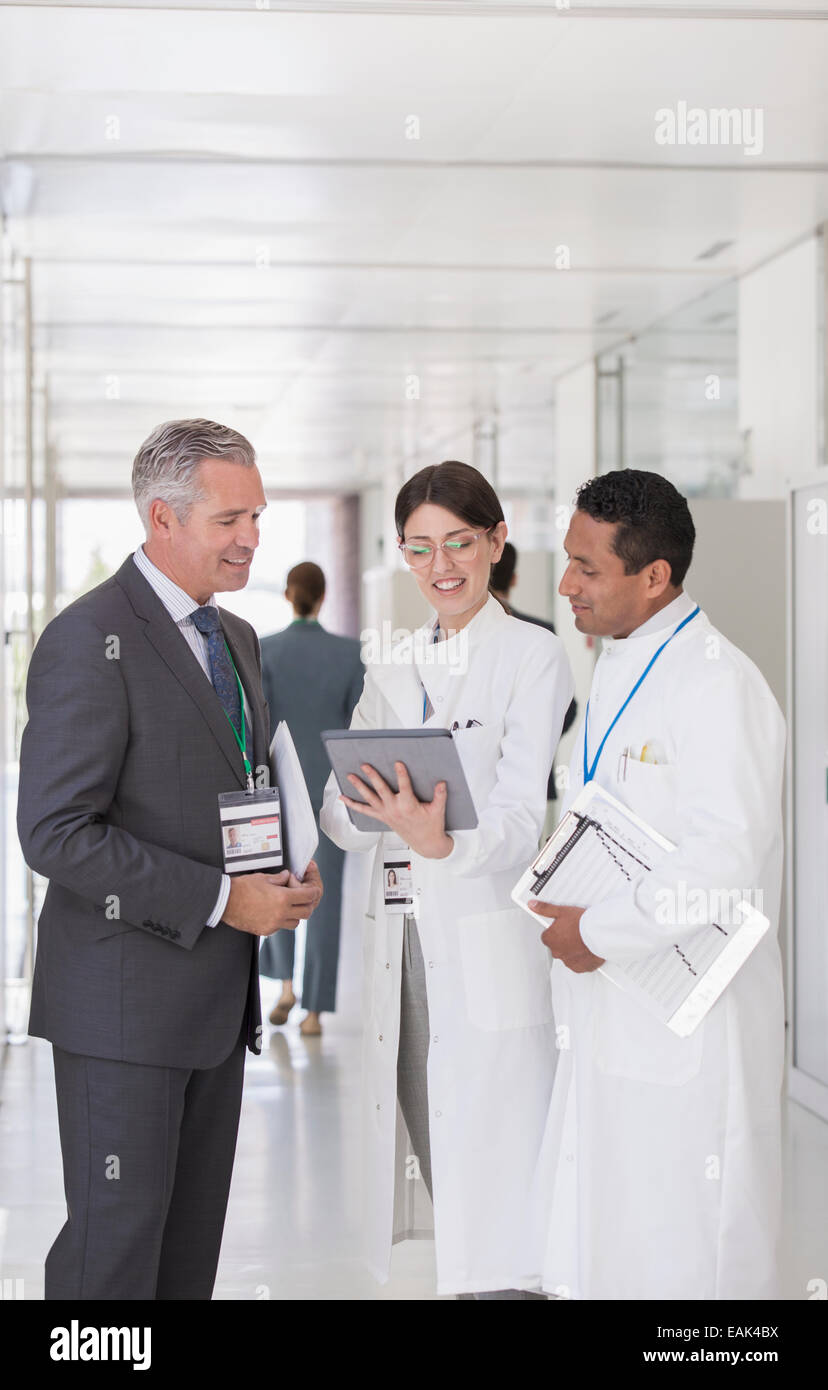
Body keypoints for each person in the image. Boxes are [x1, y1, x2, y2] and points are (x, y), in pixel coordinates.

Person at [17, 418, 323, 1300]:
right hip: (123, 1012)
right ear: (163, 518)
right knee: (114, 1258)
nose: (252, 539)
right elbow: (55, 831)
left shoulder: (237, 639)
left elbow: (235, 779)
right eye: (230, 520)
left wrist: (282, 868)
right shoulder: (89, 639)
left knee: (187, 1261)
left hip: (214, 1007)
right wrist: (227, 899)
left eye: (257, 517)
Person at [528, 468, 785, 1300]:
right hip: (616, 1000)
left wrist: (596, 931)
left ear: (654, 576)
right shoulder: (619, 661)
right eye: (567, 561)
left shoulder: (715, 681)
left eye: (586, 568)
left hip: (688, 1017)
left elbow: (722, 861)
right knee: (617, 1234)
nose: (566, 585)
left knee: (685, 1251)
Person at [320, 460, 574, 1298]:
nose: (443, 566)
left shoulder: (534, 656)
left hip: (485, 936)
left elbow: (515, 821)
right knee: (434, 1137)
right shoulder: (393, 667)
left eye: (460, 542)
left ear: (497, 542)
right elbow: (337, 809)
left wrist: (437, 843)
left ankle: (512, 1289)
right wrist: (375, 814)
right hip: (404, 947)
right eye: (421, 549)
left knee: (502, 1145)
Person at [259, 561, 365, 1036]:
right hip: (332, 793)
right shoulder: (349, 655)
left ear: (288, 594)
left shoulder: (264, 651)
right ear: (322, 597)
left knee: (281, 883)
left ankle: (284, 987)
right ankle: (316, 1012)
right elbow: (358, 730)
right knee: (328, 895)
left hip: (282, 791)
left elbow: (258, 727)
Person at [490, 541, 577, 801]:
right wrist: (534, 738)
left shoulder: (453, 636)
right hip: (530, 780)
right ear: (514, 580)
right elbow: (567, 709)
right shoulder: (542, 632)